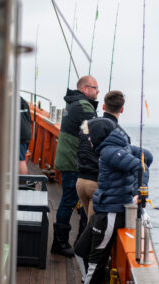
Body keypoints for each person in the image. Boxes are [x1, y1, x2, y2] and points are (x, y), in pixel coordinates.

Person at [74, 118, 153, 284]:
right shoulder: (122, 147)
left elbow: (140, 166)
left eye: (90, 136)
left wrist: (140, 190)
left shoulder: (109, 151)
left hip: (110, 213)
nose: (89, 139)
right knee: (80, 250)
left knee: (96, 260)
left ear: (98, 136)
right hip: (102, 209)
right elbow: (148, 156)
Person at [51, 75, 100, 257]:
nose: (98, 91)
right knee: (68, 201)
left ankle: (68, 240)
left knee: (69, 200)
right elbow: (94, 129)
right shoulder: (83, 106)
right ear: (85, 89)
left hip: (68, 157)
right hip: (72, 161)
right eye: (95, 88)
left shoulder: (75, 103)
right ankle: (60, 242)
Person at [76, 90, 130, 221]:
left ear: (104, 107)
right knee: (93, 230)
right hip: (97, 185)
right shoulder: (121, 134)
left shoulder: (86, 124)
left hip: (81, 182)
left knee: (89, 224)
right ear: (122, 110)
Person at [19, 97, 32, 175]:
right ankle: (21, 185)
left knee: (19, 161)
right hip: (25, 133)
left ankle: (20, 184)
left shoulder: (8, 101)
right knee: (21, 160)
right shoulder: (23, 101)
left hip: (17, 134)